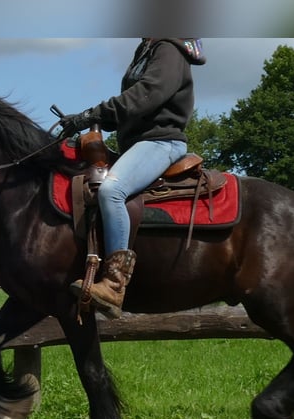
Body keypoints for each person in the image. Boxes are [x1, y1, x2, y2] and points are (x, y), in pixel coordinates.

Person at [60, 38, 206, 319]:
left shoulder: (168, 49)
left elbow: (147, 94)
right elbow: (133, 108)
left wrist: (93, 113)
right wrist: (87, 119)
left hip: (161, 143)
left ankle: (115, 285)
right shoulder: (147, 49)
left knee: (111, 191)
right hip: (138, 144)